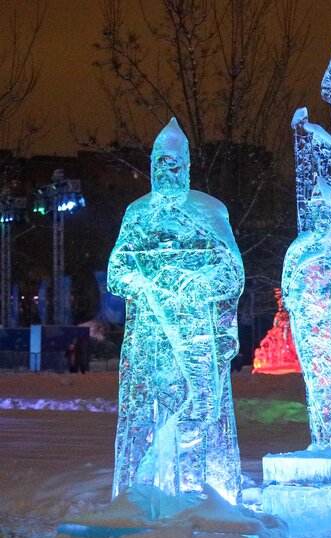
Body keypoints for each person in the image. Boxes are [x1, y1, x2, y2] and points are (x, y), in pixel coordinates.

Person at [107, 118, 244, 508]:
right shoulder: (138, 214)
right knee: (146, 416)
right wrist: (151, 286)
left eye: (173, 164)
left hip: (195, 333)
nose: (165, 172)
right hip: (148, 338)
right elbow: (117, 272)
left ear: (186, 167)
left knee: (200, 409)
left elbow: (231, 273)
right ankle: (141, 494)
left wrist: (191, 283)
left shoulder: (207, 210)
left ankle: (200, 498)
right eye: (158, 164)